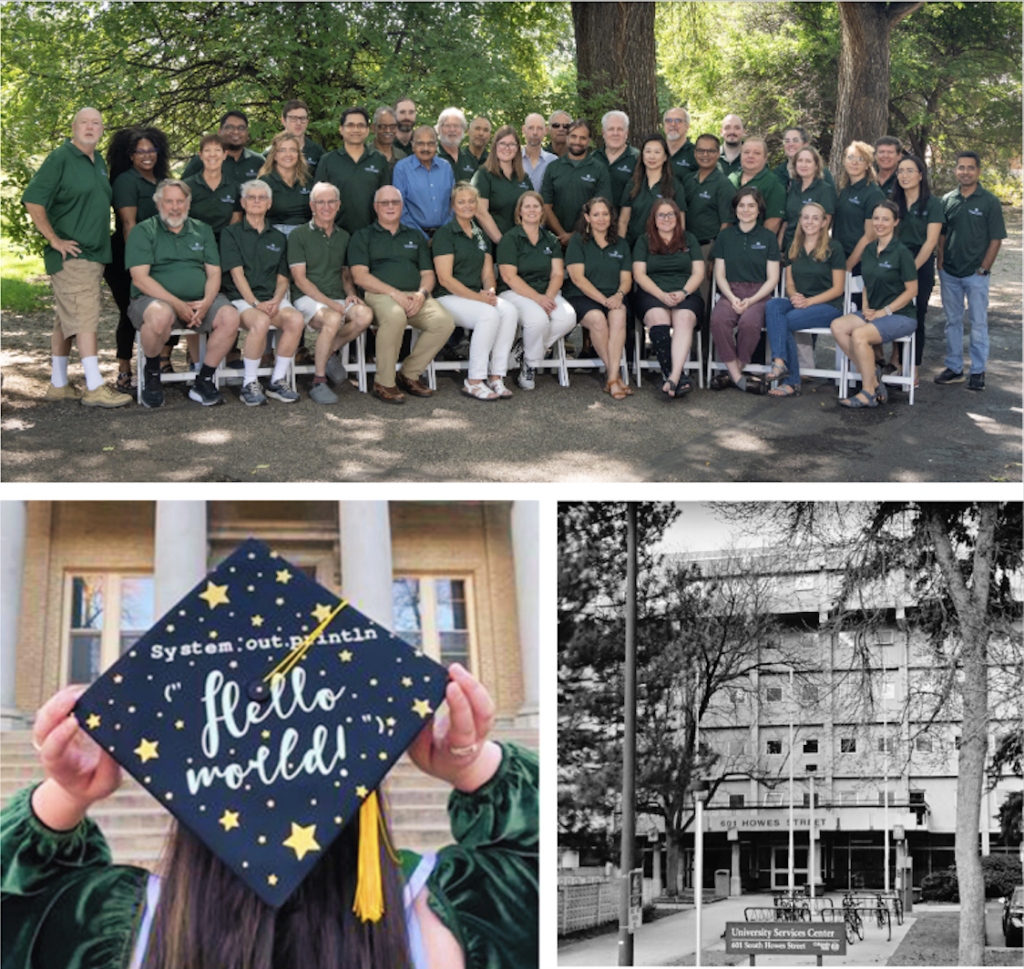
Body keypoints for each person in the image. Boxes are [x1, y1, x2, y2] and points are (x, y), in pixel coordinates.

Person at [4, 664, 537, 969]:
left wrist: (64, 796)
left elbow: (14, 906)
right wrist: (473, 765)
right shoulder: (455, 918)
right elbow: (537, 854)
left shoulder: (110, 931)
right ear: (363, 780)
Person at [21, 107, 127, 407]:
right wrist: (54, 239)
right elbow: (33, 199)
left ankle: (58, 384)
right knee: (85, 318)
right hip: (74, 255)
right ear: (73, 127)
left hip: (94, 255)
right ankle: (94, 387)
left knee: (66, 319)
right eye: (84, 122)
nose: (90, 127)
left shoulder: (97, 163)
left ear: (102, 129)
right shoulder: (61, 158)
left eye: (96, 123)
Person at [124, 179, 242, 408]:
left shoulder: (202, 230)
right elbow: (140, 278)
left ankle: (203, 381)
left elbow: (214, 273)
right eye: (169, 201)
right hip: (154, 300)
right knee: (160, 317)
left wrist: (207, 303)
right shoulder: (143, 230)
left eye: (180, 201)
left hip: (200, 300)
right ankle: (152, 374)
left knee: (230, 317)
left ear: (188, 204)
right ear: (158, 203)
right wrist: (177, 304)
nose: (175, 207)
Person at [349, 187, 455, 404]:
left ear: (402, 206)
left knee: (444, 322)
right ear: (375, 207)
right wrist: (393, 293)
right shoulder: (362, 236)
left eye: (395, 202)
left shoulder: (415, 236)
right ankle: (384, 382)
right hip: (379, 295)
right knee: (396, 315)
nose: (390, 207)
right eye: (384, 203)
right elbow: (360, 276)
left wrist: (422, 294)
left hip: (413, 296)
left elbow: (427, 273)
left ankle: (409, 374)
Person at [217, 180, 305, 406]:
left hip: (270, 299)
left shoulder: (277, 236)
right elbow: (237, 275)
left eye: (262, 198)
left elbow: (283, 277)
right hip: (241, 299)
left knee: (295, 320)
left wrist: (276, 300)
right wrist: (256, 303)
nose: (257, 201)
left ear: (269, 204)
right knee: (260, 323)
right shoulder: (231, 233)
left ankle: (277, 381)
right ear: (243, 202)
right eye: (252, 197)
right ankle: (249, 383)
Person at [287, 182, 374, 405]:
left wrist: (350, 294)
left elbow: (346, 275)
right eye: (320, 202)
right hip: (308, 299)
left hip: (336, 297)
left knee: (365, 315)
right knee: (333, 317)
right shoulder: (298, 235)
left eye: (331, 202)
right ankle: (318, 380)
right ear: (312, 206)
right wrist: (329, 303)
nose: (326, 206)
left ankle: (328, 354)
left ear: (338, 205)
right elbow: (300, 279)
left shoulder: (344, 236)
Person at [432, 183, 518, 401]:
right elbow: (445, 279)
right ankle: (474, 381)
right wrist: (480, 298)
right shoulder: (445, 234)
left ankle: (496, 376)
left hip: (475, 296)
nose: (467, 205)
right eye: (461, 201)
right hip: (448, 297)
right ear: (452, 206)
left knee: (509, 311)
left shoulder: (481, 235)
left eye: (472, 201)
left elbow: (488, 274)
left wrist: (489, 291)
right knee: (488, 315)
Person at [831, 200, 918, 408]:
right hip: (874, 312)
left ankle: (868, 391)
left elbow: (912, 291)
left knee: (860, 335)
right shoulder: (869, 250)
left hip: (901, 315)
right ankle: (873, 375)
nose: (880, 223)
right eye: (876, 218)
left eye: (885, 219)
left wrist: (883, 312)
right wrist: (867, 307)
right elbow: (867, 284)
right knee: (838, 326)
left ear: (895, 222)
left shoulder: (902, 252)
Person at [105, 126, 171, 394]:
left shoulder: (162, 180)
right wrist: (138, 266)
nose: (146, 156)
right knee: (130, 313)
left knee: (168, 306)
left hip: (162, 256)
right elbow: (129, 225)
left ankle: (163, 362)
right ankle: (124, 369)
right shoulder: (125, 181)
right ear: (129, 155)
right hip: (127, 256)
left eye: (151, 150)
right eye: (139, 151)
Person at [934, 151, 1006, 391]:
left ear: (978, 172)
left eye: (970, 168)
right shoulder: (947, 200)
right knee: (952, 321)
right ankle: (954, 367)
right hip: (950, 273)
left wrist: (984, 268)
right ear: (955, 170)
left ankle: (978, 370)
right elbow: (941, 233)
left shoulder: (989, 201)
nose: (965, 171)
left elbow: (996, 238)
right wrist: (941, 260)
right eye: (961, 167)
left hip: (975, 274)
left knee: (978, 322)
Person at [763, 202, 846, 398]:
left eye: (815, 218)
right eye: (805, 217)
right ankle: (780, 363)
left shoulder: (834, 247)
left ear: (824, 222)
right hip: (800, 303)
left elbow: (838, 289)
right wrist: (794, 296)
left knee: (785, 321)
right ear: (800, 220)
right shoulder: (794, 246)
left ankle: (791, 381)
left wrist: (808, 302)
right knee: (773, 304)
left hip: (828, 306)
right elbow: (790, 284)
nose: (810, 222)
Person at [496, 191, 577, 390]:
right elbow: (508, 277)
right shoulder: (510, 238)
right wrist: (538, 299)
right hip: (515, 293)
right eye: (527, 206)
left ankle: (523, 349)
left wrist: (548, 296)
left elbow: (558, 274)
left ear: (542, 212)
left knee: (568, 318)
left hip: (545, 292)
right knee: (538, 320)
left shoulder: (550, 239)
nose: (532, 210)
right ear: (520, 212)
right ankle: (530, 366)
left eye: (536, 206)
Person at [709, 186, 781, 391]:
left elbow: (773, 277)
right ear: (735, 209)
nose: (746, 210)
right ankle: (738, 377)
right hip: (730, 291)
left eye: (751, 205)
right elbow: (719, 275)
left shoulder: (768, 237)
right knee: (718, 320)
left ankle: (732, 374)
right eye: (742, 205)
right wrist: (731, 298)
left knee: (750, 323)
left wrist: (752, 299)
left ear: (759, 210)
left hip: (759, 293)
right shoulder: (725, 236)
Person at [631, 199, 705, 398]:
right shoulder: (643, 241)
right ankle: (676, 377)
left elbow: (698, 272)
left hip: (686, 293)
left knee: (684, 318)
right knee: (658, 318)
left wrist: (683, 292)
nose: (666, 219)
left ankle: (672, 377)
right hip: (652, 293)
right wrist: (661, 295)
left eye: (670, 214)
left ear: (677, 217)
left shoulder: (688, 238)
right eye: (661, 215)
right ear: (653, 219)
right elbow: (639, 274)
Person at [563, 197, 633, 400]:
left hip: (614, 296)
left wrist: (618, 295)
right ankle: (615, 375)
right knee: (598, 320)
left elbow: (626, 280)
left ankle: (611, 378)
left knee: (619, 316)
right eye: (596, 214)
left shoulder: (621, 244)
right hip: (582, 296)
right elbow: (577, 278)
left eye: (605, 214)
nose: (601, 218)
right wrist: (604, 300)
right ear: (587, 218)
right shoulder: (577, 240)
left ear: (611, 217)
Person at [887, 154, 943, 385]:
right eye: (900, 171)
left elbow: (931, 243)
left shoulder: (933, 204)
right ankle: (899, 363)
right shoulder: (892, 203)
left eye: (910, 171)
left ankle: (913, 368)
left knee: (917, 315)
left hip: (920, 266)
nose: (904, 175)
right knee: (898, 314)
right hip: (894, 264)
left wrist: (909, 270)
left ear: (921, 175)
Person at [313, 107, 391, 237]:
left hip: (372, 235)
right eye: (350, 125)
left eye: (360, 125)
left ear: (367, 131)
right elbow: (317, 202)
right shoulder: (328, 160)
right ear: (341, 129)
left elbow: (386, 200)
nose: (355, 129)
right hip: (335, 236)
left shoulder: (379, 159)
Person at [683, 134, 735, 313]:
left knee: (703, 298)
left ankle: (704, 341)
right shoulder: (688, 180)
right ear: (695, 152)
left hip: (707, 248)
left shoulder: (723, 184)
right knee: (685, 296)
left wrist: (715, 256)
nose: (705, 154)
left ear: (718, 153)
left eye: (710, 151)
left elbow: (727, 223)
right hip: (684, 247)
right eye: (700, 150)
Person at [541, 119, 613, 247]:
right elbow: (546, 206)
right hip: (555, 241)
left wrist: (575, 236)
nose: (577, 142)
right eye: (573, 136)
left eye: (582, 138)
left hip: (588, 241)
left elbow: (601, 209)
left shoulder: (599, 169)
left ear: (589, 140)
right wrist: (562, 235)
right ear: (567, 137)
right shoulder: (553, 167)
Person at [616, 133, 687, 249]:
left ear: (665, 157)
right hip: (634, 246)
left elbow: (681, 223)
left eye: (657, 152)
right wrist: (620, 250)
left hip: (664, 249)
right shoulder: (633, 184)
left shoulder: (674, 185)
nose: (652, 157)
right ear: (642, 155)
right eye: (648, 151)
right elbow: (623, 221)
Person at [392, 126, 455, 240]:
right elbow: (399, 207)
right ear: (413, 146)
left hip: (446, 234)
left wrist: (443, 234)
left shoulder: (446, 167)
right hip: (413, 235)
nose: (426, 148)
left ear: (436, 146)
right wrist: (422, 237)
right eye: (420, 144)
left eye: (430, 144)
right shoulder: (402, 168)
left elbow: (455, 202)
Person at [471, 126, 532, 245]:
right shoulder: (483, 175)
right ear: (495, 147)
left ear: (517, 148)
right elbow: (480, 212)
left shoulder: (523, 177)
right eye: (502, 143)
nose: (507, 148)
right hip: (492, 245)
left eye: (511, 144)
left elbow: (532, 211)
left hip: (521, 244)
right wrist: (503, 242)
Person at [832, 141, 885, 277]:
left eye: (860, 159)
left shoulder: (874, 193)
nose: (854, 162)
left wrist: (849, 265)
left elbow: (871, 235)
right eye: (850, 157)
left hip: (858, 263)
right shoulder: (845, 189)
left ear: (868, 165)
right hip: (838, 256)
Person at [182, 134, 244, 241]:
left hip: (224, 244)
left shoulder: (235, 188)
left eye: (217, 150)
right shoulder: (186, 186)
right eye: (207, 150)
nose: (212, 155)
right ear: (200, 155)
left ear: (225, 155)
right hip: (193, 244)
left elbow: (236, 220)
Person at [778, 145, 836, 256]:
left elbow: (826, 223)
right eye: (800, 161)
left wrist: (810, 249)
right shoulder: (794, 188)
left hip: (809, 249)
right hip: (788, 247)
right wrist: (779, 246)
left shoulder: (824, 190)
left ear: (816, 166)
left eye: (808, 161)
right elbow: (786, 221)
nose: (803, 165)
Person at [181, 110, 264, 182]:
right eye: (230, 127)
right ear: (220, 131)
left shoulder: (258, 162)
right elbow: (180, 191)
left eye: (241, 128)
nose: (236, 132)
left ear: (247, 133)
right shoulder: (202, 161)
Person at [726, 137, 786, 235]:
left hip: (755, 244)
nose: (750, 156)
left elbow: (774, 221)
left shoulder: (774, 184)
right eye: (746, 152)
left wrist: (757, 245)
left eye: (757, 153)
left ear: (765, 158)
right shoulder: (731, 178)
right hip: (729, 240)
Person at [258, 132, 313, 234]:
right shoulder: (265, 182)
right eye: (282, 150)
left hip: (306, 233)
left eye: (292, 150)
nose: (288, 154)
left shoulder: (308, 180)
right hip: (276, 234)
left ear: (298, 154)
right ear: (274, 156)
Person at [593, 110, 640, 205]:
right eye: (611, 129)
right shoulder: (593, 158)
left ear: (626, 132)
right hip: (598, 218)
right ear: (603, 132)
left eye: (620, 129)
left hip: (628, 218)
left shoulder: (638, 158)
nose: (615, 133)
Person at [772, 127, 835, 192]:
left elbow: (832, 199)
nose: (790, 144)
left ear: (806, 145)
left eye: (796, 140)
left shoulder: (821, 172)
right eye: (787, 141)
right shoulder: (777, 173)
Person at [436, 108, 481, 180]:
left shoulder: (470, 159)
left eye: (456, 126)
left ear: (463, 130)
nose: (452, 130)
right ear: (439, 129)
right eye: (447, 126)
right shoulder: (432, 157)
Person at [278, 98, 324, 169]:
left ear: (307, 122)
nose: (298, 123)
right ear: (283, 121)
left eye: (302, 118)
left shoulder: (318, 152)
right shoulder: (272, 152)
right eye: (293, 118)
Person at [521, 113, 556, 191]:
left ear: (545, 131)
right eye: (530, 128)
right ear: (523, 130)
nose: (535, 132)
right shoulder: (514, 159)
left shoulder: (553, 161)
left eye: (539, 128)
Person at [663, 107, 697, 181]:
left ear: (687, 126)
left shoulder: (697, 153)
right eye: (668, 120)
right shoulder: (655, 151)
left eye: (678, 120)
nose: (673, 124)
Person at [372, 105, 407, 174]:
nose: (388, 131)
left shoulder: (402, 157)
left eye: (392, 126)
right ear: (373, 128)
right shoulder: (363, 154)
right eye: (382, 126)